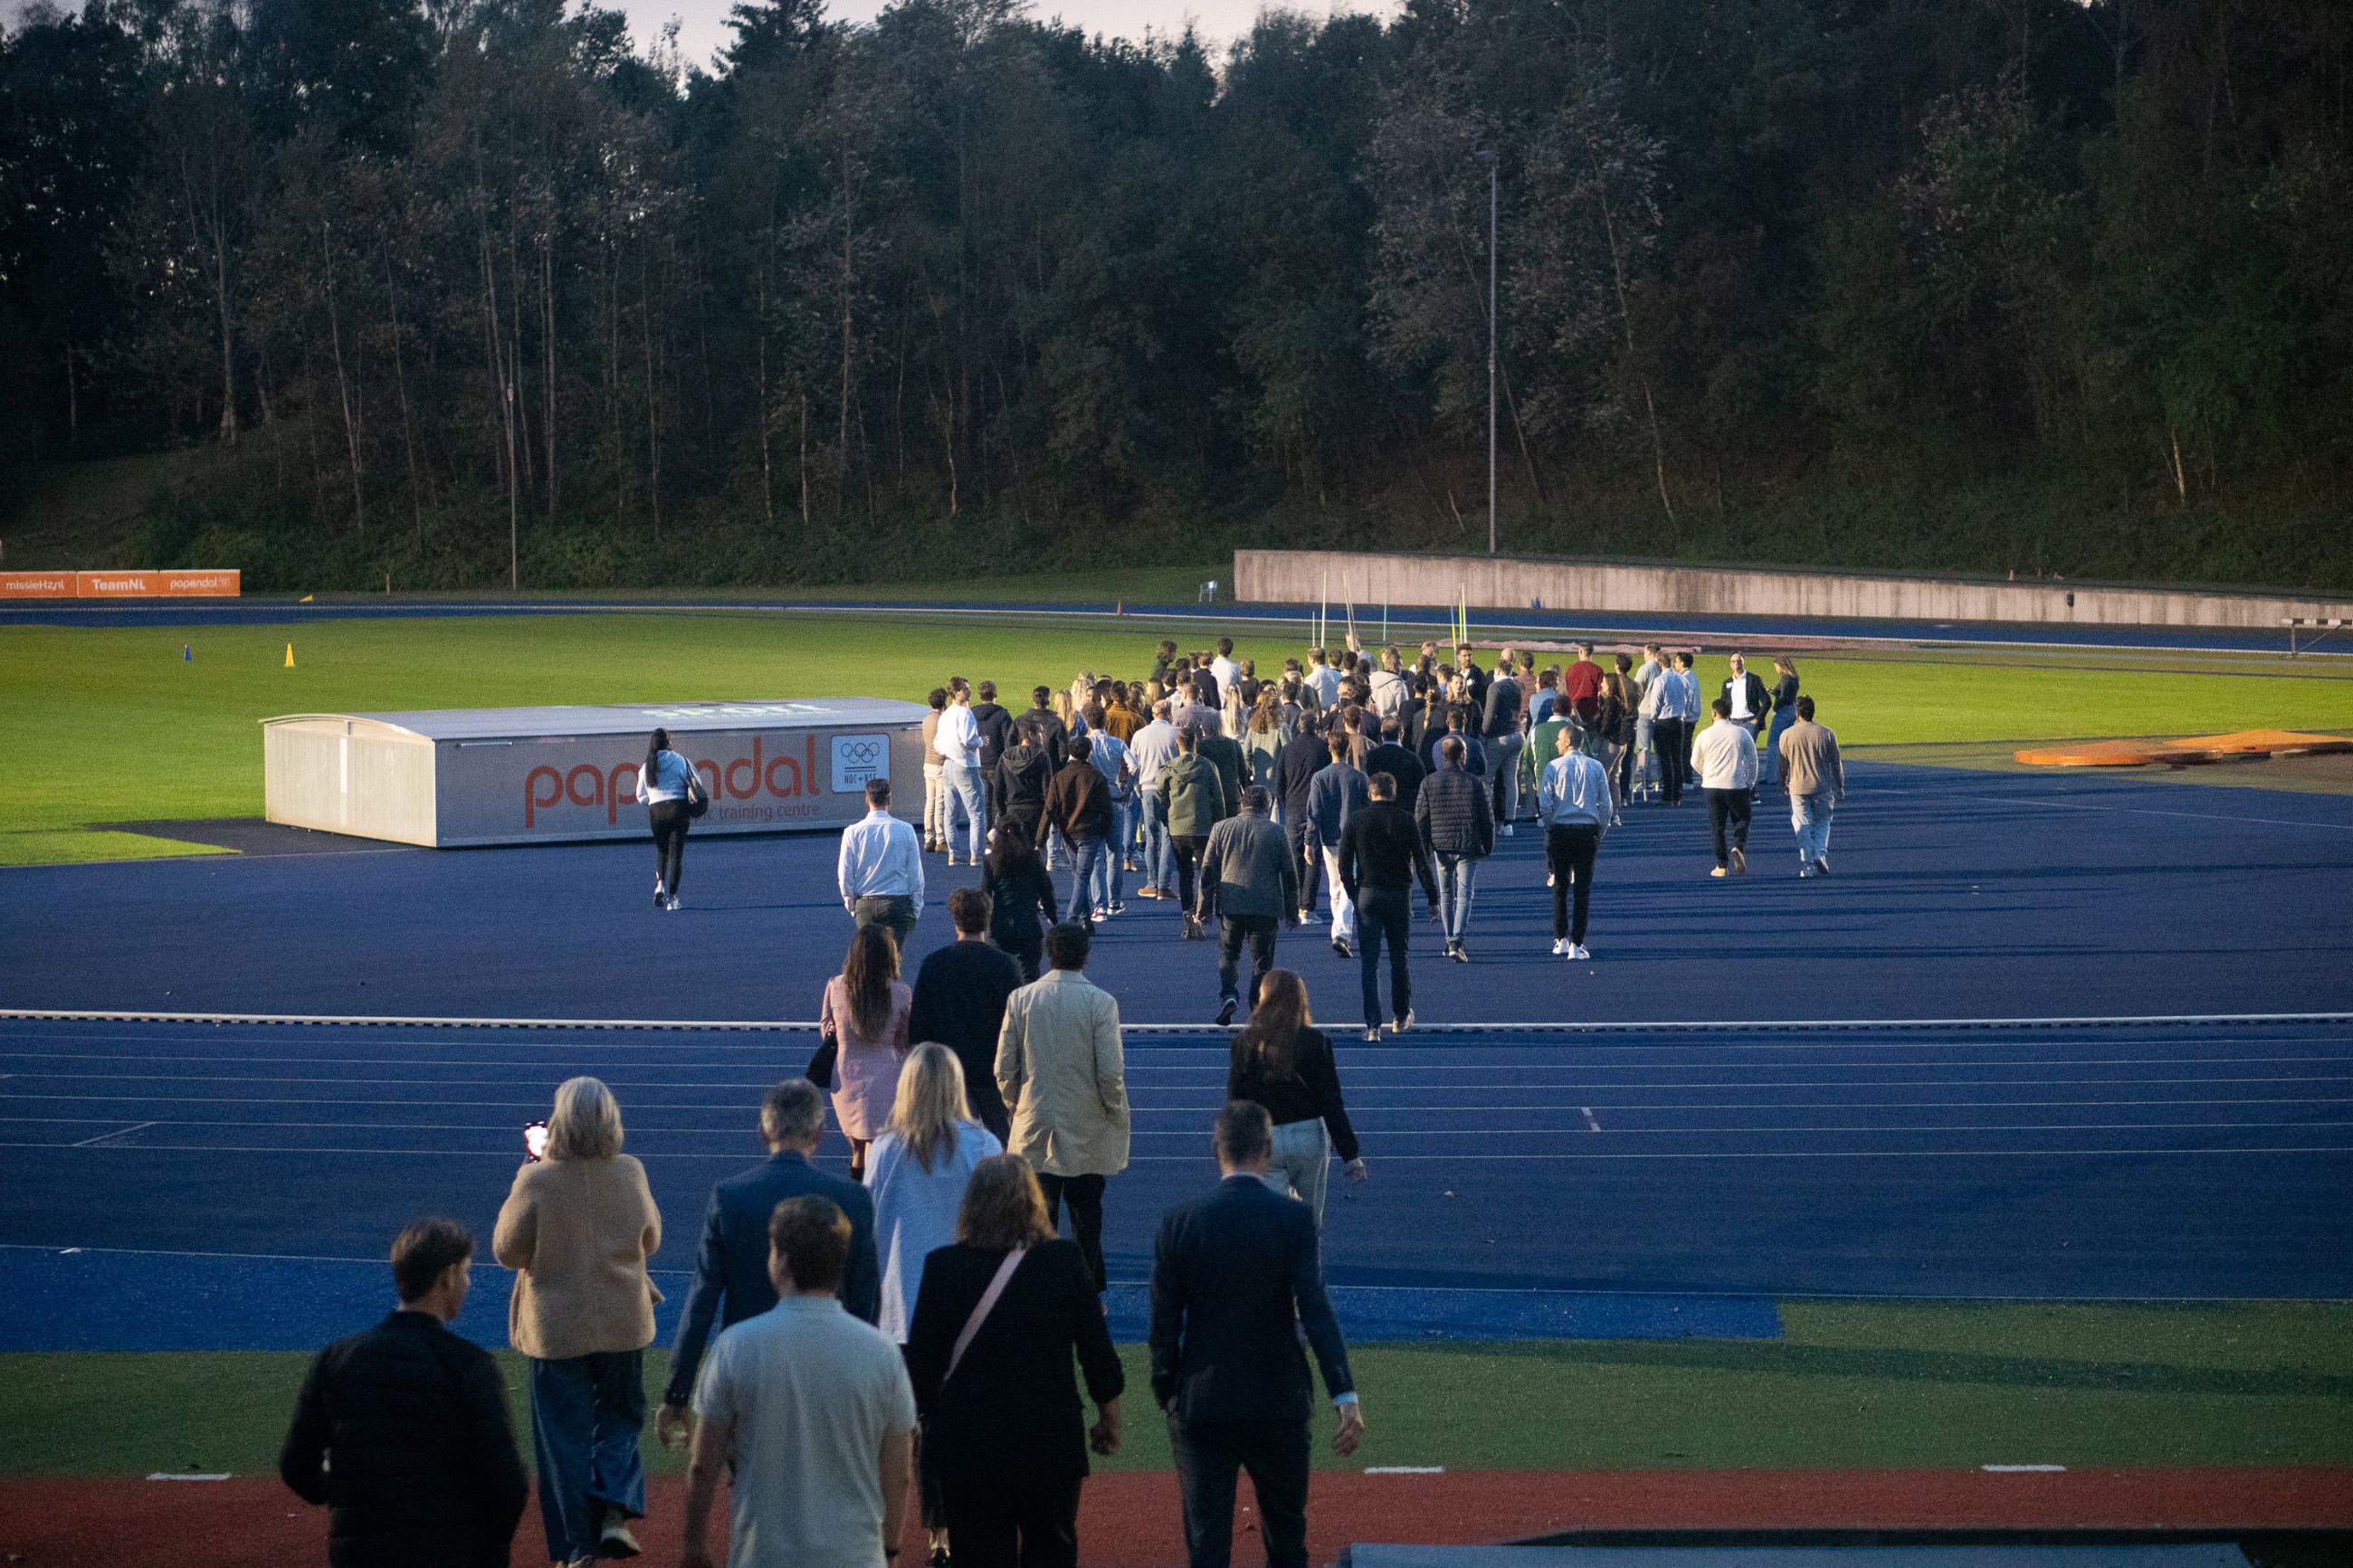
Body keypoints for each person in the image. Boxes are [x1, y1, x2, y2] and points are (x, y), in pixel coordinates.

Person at [1149, 1102, 1361, 1568]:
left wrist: (1170, 1392)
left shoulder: (1180, 1223)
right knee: (1287, 1541)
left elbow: (1163, 1325)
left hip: (1203, 1403)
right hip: (1278, 1399)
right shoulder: (1294, 1221)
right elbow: (1315, 1310)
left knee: (1208, 1546)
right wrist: (1343, 1393)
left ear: (1215, 1150)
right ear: (1267, 1149)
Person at [904, 1155, 1126, 1568]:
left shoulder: (942, 1268)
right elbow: (1097, 1353)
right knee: (1052, 1549)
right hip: (1049, 1440)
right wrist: (1109, 1419)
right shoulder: (1064, 1261)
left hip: (968, 1444)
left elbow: (921, 1371)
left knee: (977, 1553)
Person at [680, 1196, 918, 1568]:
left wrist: (694, 1543)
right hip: (855, 1555)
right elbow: (898, 1473)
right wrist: (889, 1549)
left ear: (783, 1261)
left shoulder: (737, 1347)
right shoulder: (882, 1353)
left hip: (763, 1555)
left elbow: (703, 1463)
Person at [281, 1219, 529, 1568]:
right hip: (449, 1551)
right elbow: (506, 1480)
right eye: (466, 1273)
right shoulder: (471, 1366)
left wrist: (347, 1496)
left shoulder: (337, 1361)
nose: (468, 1284)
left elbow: (296, 1465)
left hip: (362, 1552)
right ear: (447, 1277)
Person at [659, 1079, 883, 1451]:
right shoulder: (852, 1199)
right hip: (828, 1373)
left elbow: (702, 1300)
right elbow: (866, 1300)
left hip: (750, 1374)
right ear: (820, 1132)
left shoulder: (730, 1198)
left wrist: (677, 1392)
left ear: (763, 1131)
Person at [492, 1077, 662, 1566]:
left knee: (561, 1440)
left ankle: (574, 1549)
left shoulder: (538, 1180)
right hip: (622, 1322)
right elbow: (649, 1241)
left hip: (555, 1329)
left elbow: (506, 1250)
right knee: (620, 1420)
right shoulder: (630, 1172)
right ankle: (613, 1509)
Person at [996, 920, 1129, 1294]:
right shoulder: (1101, 1003)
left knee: (1039, 1217)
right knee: (1087, 1219)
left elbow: (1004, 1068)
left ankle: (1040, 1291)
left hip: (1035, 1122)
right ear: (1085, 956)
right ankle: (1087, 1294)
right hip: (1087, 1124)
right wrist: (1113, 1109)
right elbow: (1110, 1072)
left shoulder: (1021, 999)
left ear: (1048, 953)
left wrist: (1016, 1105)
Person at [867, 1043, 1004, 1345]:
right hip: (969, 1304)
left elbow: (871, 1221)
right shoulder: (983, 1145)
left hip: (900, 1304)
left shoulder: (884, 1149)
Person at [1225, 973, 1363, 1225]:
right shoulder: (1317, 1042)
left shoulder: (1244, 1043)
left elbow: (1236, 1103)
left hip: (1265, 1138)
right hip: (1309, 1137)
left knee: (1271, 1223)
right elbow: (1330, 1100)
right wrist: (1350, 1153)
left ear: (1262, 999)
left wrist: (1234, 1154)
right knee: (1308, 1223)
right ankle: (1307, 1264)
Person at [908, 889, 1024, 1140]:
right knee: (1003, 1143)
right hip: (992, 1071)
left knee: (947, 1145)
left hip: (947, 1073)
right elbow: (1018, 1024)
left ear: (955, 919)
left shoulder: (934, 963)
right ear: (988, 918)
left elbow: (918, 1028)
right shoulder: (1006, 965)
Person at [1337, 772, 1437, 1041]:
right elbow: (1421, 861)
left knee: (1369, 962)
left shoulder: (1356, 819)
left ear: (1370, 793)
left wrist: (1353, 893)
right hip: (1398, 895)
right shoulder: (1406, 820)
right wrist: (1432, 898)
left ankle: (1372, 1025)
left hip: (1368, 893)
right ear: (1393, 793)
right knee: (1399, 957)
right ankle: (1401, 1016)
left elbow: (1344, 864)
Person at [1196, 785, 1299, 1027]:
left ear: (1243, 803)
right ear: (1266, 806)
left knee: (1229, 953)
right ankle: (1257, 1006)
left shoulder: (1221, 828)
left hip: (1231, 902)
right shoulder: (1277, 832)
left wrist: (1204, 906)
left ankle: (1229, 994)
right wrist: (1293, 910)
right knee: (1262, 962)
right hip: (1265, 906)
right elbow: (1290, 875)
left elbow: (1208, 871)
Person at [823, 924, 914, 1180]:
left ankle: (857, 1195)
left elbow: (825, 1027)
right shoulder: (901, 992)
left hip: (847, 1074)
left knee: (857, 1147)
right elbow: (905, 1040)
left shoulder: (836, 986)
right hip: (886, 1076)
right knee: (878, 1146)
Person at [1414, 736, 1491, 964]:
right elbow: (1487, 818)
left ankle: (1450, 939)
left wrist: (1423, 846)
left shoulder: (1429, 782)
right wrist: (1488, 844)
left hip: (1441, 842)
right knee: (1464, 893)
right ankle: (1457, 939)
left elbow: (1421, 818)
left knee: (1446, 893)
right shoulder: (1476, 783)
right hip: (1467, 843)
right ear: (1462, 755)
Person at [1536, 725, 1611, 960]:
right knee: (1582, 890)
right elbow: (1606, 805)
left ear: (1568, 741)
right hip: (1587, 831)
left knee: (1560, 886)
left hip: (1560, 831)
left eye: (1559, 739)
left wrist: (1550, 826)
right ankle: (1577, 943)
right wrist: (1601, 831)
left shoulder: (1553, 767)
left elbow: (1545, 803)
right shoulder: (1596, 766)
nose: (1556, 743)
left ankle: (1560, 939)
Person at [838, 777, 924, 950]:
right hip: (898, 903)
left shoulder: (852, 832)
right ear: (889, 799)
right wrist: (916, 907)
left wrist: (853, 906)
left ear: (866, 799)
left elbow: (845, 874)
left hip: (865, 904)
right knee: (893, 963)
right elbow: (915, 873)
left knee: (869, 961)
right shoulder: (906, 829)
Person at [1158, 724, 1228, 934]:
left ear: (1177, 744)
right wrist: (1220, 822)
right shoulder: (1207, 766)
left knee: (1184, 875)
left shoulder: (1169, 768)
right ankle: (1201, 912)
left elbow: (1159, 797)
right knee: (1206, 873)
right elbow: (1218, 797)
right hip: (1203, 826)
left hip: (1178, 827)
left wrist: (1166, 819)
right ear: (1195, 742)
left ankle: (1187, 912)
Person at [1304, 729, 1367, 959]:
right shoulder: (1359, 777)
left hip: (1329, 838)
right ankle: (1341, 933)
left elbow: (1314, 812)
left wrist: (1309, 842)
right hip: (1354, 838)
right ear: (1348, 749)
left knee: (1335, 888)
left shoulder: (1320, 778)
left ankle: (1341, 932)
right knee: (1348, 887)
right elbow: (1366, 810)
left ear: (1329, 748)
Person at [1041, 733, 1116, 924]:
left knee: (1079, 876)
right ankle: (1073, 918)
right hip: (1089, 832)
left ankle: (1085, 919)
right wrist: (1104, 832)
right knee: (1081, 876)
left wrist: (1043, 836)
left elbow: (1049, 808)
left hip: (1069, 832)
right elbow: (1107, 809)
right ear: (1089, 753)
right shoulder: (1095, 776)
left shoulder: (1060, 777)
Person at [1693, 694, 1760, 878]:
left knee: (1717, 826)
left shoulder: (1704, 734)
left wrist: (1706, 774)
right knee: (1742, 819)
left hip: (1712, 785)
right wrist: (1750, 782)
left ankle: (1721, 865)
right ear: (1730, 713)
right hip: (1736, 784)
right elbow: (1752, 761)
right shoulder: (1741, 733)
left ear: (1714, 713)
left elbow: (1695, 761)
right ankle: (1738, 846)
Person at [1777, 695, 1844, 877]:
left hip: (1797, 787)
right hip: (1822, 786)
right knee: (1823, 822)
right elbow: (1835, 762)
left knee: (1802, 824)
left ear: (1797, 713)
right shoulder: (1826, 733)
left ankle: (1807, 864)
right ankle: (1820, 854)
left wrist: (1783, 782)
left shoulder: (1787, 734)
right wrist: (1840, 785)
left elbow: (1783, 764)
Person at [1272, 714, 1330, 919]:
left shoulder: (1288, 749)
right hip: (1316, 808)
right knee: (1312, 856)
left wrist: (1285, 804)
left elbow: (1279, 781)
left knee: (1295, 857)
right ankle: (1307, 906)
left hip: (1294, 808)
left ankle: (1295, 904)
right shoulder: (1323, 748)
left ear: (1299, 726)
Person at [983, 832, 1060, 984]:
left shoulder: (990, 860)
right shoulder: (1033, 858)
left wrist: (983, 924)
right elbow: (1045, 889)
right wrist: (1052, 914)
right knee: (1029, 976)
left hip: (1000, 926)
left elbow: (985, 892)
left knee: (998, 977)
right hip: (1029, 926)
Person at [1129, 698, 1182, 899]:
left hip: (1148, 787)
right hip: (1170, 788)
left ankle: (1152, 883)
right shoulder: (1176, 733)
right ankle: (1163, 884)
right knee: (1168, 834)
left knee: (1151, 837)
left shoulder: (1140, 735)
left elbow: (1134, 765)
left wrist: (1137, 789)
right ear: (1169, 713)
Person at [1085, 708, 1135, 913]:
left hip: (1093, 802)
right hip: (1114, 798)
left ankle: (1099, 904)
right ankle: (1114, 900)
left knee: (1096, 855)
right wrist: (1128, 789)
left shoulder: (1085, 744)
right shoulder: (1117, 743)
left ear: (1088, 723)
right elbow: (1135, 767)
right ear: (1105, 722)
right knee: (1114, 853)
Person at [640, 727, 695, 912]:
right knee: (676, 856)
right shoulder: (680, 760)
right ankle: (672, 899)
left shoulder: (647, 766)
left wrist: (655, 801)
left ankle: (659, 885)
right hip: (678, 810)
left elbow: (641, 796)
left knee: (662, 851)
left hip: (656, 813)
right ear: (669, 742)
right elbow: (697, 783)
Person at [936, 683, 988, 865]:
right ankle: (977, 855)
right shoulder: (965, 713)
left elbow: (938, 743)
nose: (969, 691)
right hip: (965, 765)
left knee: (950, 813)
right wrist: (980, 741)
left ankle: (954, 853)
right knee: (976, 814)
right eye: (966, 688)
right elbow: (968, 740)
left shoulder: (945, 715)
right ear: (956, 692)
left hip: (948, 765)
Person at [1481, 649, 1526, 832]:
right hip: (1518, 734)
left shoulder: (1495, 687)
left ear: (1497, 671)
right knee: (1511, 780)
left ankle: (1488, 820)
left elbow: (1489, 715)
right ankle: (1509, 823)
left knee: (1488, 779)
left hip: (1500, 737)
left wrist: (1483, 734)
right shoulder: (1518, 686)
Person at [1652, 652, 1697, 807]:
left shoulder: (1660, 680)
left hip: (1663, 722)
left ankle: (1667, 795)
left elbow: (1656, 704)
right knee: (1677, 759)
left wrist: (1654, 718)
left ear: (1660, 664)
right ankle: (1677, 795)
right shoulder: (1683, 679)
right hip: (1679, 722)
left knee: (1665, 760)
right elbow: (1690, 701)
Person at [971, 679, 1016, 820]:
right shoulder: (1002, 715)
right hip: (997, 765)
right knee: (1001, 804)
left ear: (980, 696)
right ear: (995, 694)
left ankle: (986, 836)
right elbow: (1009, 742)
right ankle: (998, 836)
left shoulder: (971, 713)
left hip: (978, 763)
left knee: (985, 804)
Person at [1761, 656, 1801, 789]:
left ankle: (1771, 776)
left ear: (1780, 665)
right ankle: (1790, 774)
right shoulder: (1794, 678)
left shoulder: (1785, 678)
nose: (1776, 669)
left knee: (1773, 743)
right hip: (1792, 710)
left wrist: (1775, 708)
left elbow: (1783, 696)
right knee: (1786, 744)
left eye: (1776, 666)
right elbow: (1784, 693)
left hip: (1783, 711)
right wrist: (1772, 691)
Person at [922, 688, 950, 854]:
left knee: (929, 802)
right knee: (940, 803)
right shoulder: (943, 720)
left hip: (928, 763)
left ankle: (928, 838)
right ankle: (940, 839)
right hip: (940, 764)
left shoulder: (926, 719)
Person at [1019, 685, 1070, 770]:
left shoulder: (1020, 720)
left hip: (1025, 769)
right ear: (1049, 701)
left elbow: (1010, 742)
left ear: (1032, 700)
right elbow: (1064, 750)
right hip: (1050, 770)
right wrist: (1057, 768)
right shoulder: (1057, 722)